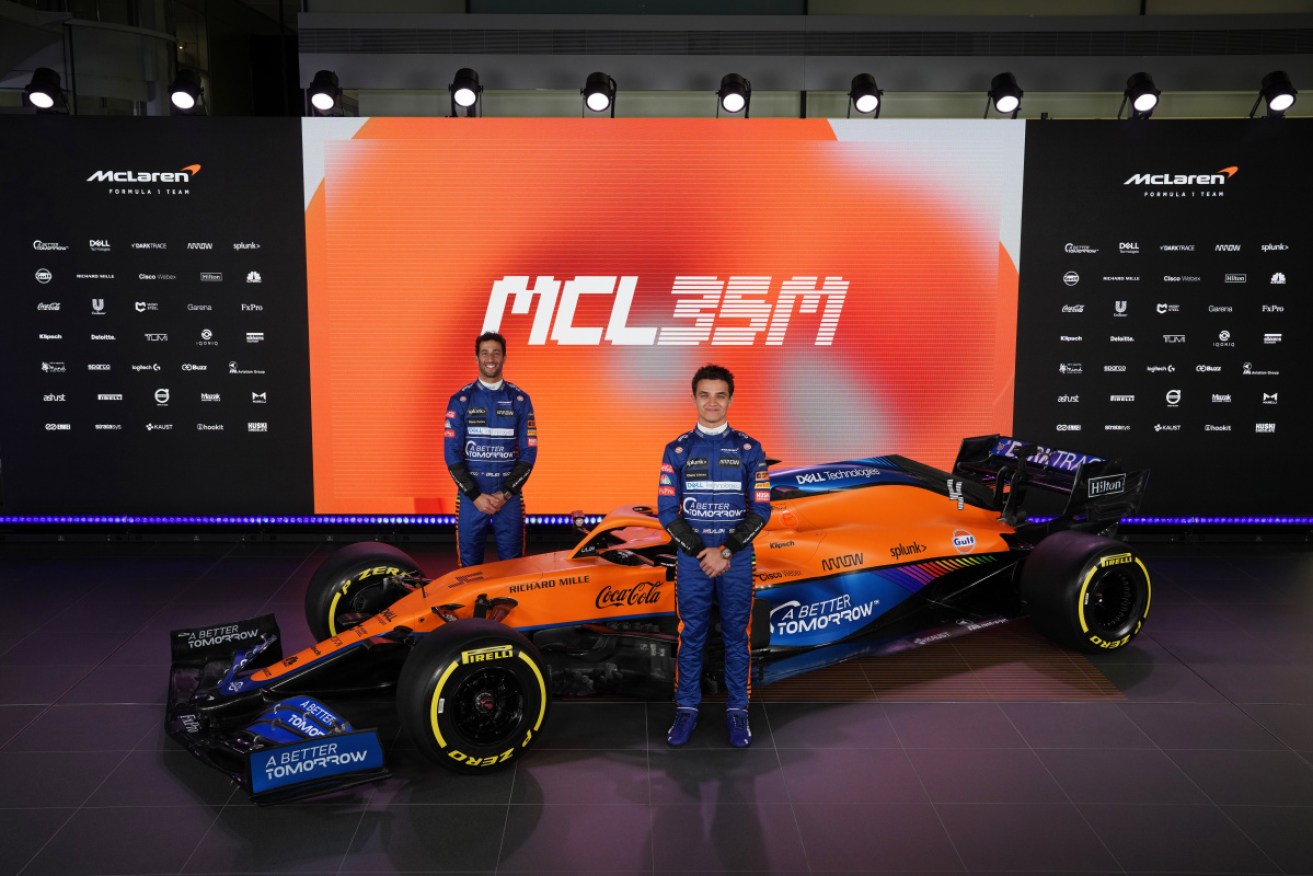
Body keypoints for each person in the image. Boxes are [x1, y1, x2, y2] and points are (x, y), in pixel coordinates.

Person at [657, 364, 771, 748]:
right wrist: (702, 552)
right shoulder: (676, 450)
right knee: (692, 635)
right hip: (692, 559)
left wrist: (724, 551)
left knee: (738, 636)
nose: (712, 402)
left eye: (719, 394)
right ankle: (686, 709)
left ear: (730, 399)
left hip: (735, 558)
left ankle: (738, 711)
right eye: (704, 394)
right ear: (694, 398)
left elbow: (761, 511)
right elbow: (667, 512)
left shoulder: (750, 450)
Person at [444, 331, 537, 566]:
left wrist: (505, 494)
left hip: (509, 496)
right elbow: (451, 454)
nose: (490, 358)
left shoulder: (520, 400)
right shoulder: (460, 400)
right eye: (485, 353)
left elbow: (529, 453)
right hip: (471, 496)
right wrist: (475, 496)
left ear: (504, 357)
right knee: (468, 567)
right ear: (476, 358)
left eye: (496, 352)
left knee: (513, 566)